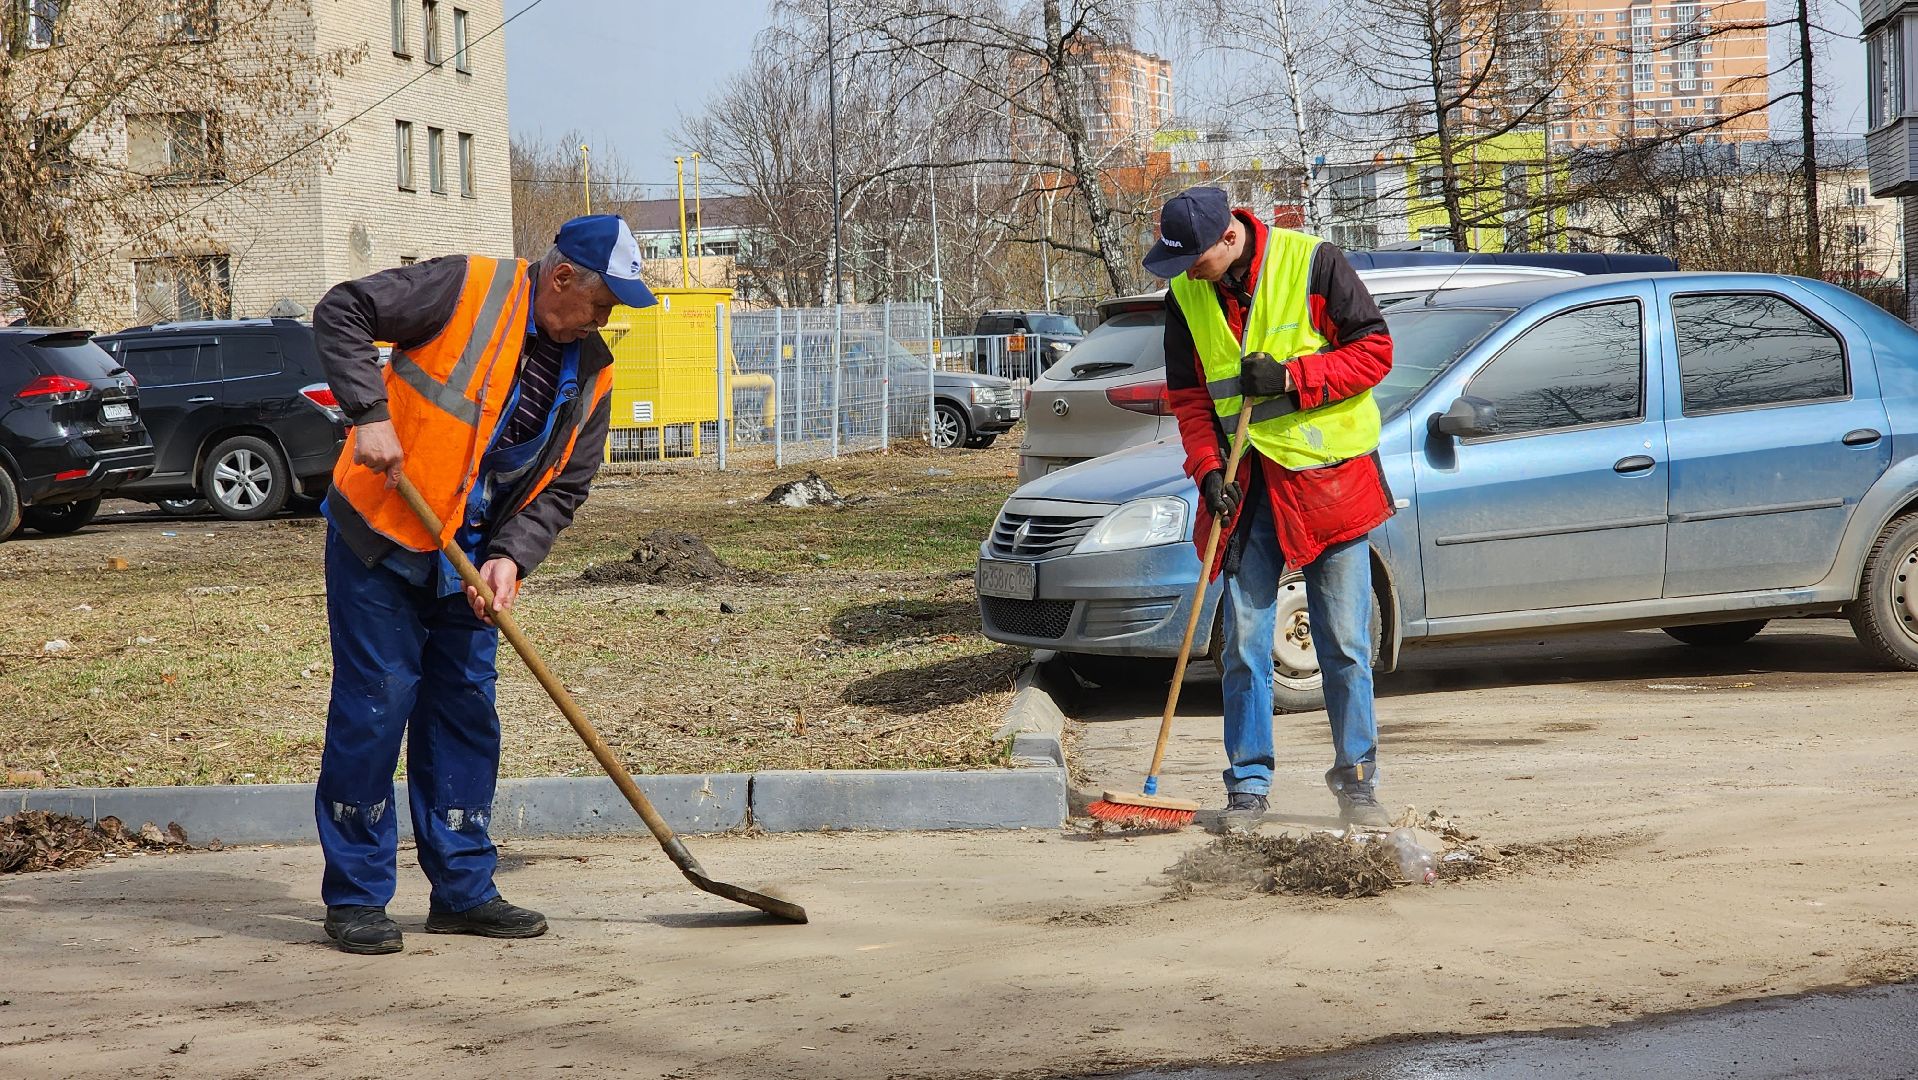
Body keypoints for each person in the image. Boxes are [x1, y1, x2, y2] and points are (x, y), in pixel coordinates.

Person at [311, 215, 656, 955]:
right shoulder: (464, 287)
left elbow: (565, 487)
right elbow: (341, 309)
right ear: (562, 278)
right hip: (383, 535)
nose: (604, 322)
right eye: (602, 304)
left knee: (465, 712)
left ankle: (462, 890)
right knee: (377, 709)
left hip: (468, 558)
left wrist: (512, 556)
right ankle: (356, 897)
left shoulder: (591, 370)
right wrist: (367, 416)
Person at [1144, 186, 1396, 833]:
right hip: (1245, 487)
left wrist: (1290, 378)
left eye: (1190, 259)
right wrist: (1205, 473)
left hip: (1326, 484)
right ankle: (1249, 788)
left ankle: (1358, 785)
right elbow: (1191, 401)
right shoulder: (1187, 299)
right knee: (1246, 647)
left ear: (1228, 238)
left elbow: (1375, 352)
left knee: (1343, 643)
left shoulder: (1314, 264)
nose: (1184, 274)